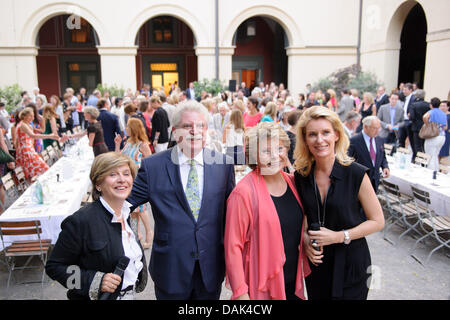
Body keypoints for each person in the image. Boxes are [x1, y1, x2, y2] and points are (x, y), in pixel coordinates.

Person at [126, 100, 235, 300]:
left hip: (210, 269)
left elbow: (234, 216)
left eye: (200, 125)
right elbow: (122, 205)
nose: (195, 131)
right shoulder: (153, 167)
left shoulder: (223, 165)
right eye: (187, 126)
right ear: (175, 132)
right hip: (170, 270)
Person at [293, 106, 384, 300]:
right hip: (318, 262)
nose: (320, 140)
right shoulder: (301, 175)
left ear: (336, 135)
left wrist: (339, 236)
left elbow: (377, 221)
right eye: (312, 134)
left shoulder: (356, 173)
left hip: (352, 263)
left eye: (325, 132)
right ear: (305, 139)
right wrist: (305, 238)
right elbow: (303, 216)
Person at [225, 122, 310, 300]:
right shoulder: (243, 193)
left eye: (279, 148)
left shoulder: (293, 183)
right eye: (265, 151)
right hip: (261, 285)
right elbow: (233, 246)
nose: (274, 155)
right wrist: (241, 293)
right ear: (253, 156)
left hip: (291, 281)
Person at [45, 152, 148, 300]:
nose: (122, 180)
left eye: (126, 174)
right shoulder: (81, 221)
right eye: (113, 175)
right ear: (98, 184)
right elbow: (54, 267)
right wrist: (95, 280)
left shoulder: (126, 213)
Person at [114, 118, 153, 249]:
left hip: (139, 181)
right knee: (132, 210)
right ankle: (137, 236)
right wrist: (118, 144)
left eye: (128, 127)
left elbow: (151, 163)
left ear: (134, 129)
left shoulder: (142, 144)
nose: (126, 129)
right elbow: (118, 157)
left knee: (141, 210)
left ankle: (150, 234)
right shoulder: (128, 142)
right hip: (128, 181)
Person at [14, 108, 59, 180]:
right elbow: (33, 136)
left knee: (33, 172)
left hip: (28, 149)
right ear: (24, 116)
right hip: (26, 151)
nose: (32, 118)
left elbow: (17, 141)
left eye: (33, 116)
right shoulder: (22, 125)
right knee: (42, 169)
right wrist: (50, 136)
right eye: (30, 116)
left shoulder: (26, 124)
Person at [348, 116, 390, 192]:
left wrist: (385, 167)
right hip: (360, 181)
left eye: (379, 128)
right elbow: (348, 161)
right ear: (365, 127)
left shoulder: (379, 139)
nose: (377, 131)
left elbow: (382, 156)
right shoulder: (354, 141)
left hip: (375, 180)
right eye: (374, 128)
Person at [423, 98, 447, 171]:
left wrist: (428, 125)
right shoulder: (443, 113)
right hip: (442, 136)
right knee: (435, 155)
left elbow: (425, 117)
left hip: (433, 136)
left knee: (430, 155)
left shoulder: (432, 111)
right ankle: (436, 171)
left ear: (431, 105)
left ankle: (431, 172)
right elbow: (446, 127)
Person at [408, 89, 430, 159]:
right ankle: (423, 161)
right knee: (424, 145)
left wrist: (410, 116)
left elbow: (412, 117)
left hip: (416, 127)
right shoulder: (428, 105)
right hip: (425, 127)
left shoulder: (413, 105)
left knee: (417, 145)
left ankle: (417, 160)